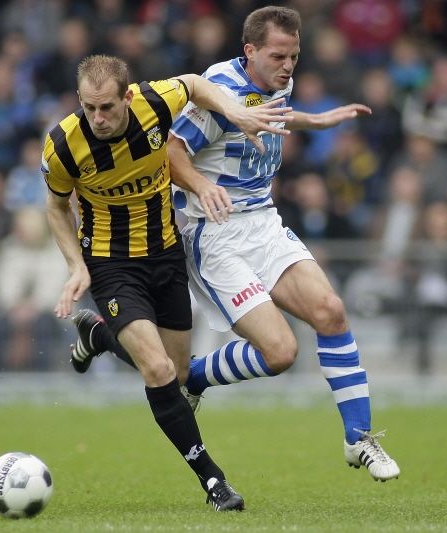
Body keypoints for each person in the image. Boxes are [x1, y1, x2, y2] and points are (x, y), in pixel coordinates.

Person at [42, 54, 291, 511]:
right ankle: (214, 481)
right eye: (89, 107)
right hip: (112, 265)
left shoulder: (154, 102)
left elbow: (194, 82)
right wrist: (76, 266)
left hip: (165, 254)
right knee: (156, 370)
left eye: (107, 107)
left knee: (175, 375)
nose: (98, 118)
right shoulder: (62, 144)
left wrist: (234, 110)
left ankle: (98, 335)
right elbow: (57, 208)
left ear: (127, 97)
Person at [165, 6, 400, 482]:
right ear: (249, 51)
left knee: (330, 311)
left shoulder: (275, 80)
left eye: (294, 56)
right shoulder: (219, 91)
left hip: (264, 222)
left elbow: (273, 113)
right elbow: (171, 151)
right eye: (278, 56)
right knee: (280, 353)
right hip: (217, 233)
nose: (288, 66)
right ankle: (194, 376)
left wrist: (317, 121)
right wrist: (202, 186)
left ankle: (359, 438)